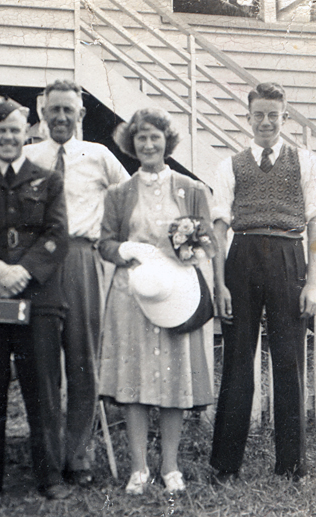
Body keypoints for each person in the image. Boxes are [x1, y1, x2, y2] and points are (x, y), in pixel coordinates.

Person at [98, 107, 221, 495]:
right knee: (133, 381)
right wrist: (125, 249)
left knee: (172, 380)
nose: (148, 144)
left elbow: (211, 243)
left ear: (167, 141)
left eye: (155, 137)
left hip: (176, 296)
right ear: (131, 144)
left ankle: (170, 466)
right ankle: (138, 467)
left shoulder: (192, 188)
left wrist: (190, 250)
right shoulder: (119, 194)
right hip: (131, 296)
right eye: (140, 138)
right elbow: (104, 243)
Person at [0, 93, 70, 501]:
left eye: (15, 131)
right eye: (0, 131)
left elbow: (57, 236)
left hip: (38, 299)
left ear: (27, 133)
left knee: (42, 388)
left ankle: (50, 477)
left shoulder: (49, 181)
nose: (8, 138)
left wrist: (23, 271)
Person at [210, 82, 316, 483]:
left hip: (289, 257)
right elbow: (219, 226)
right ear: (248, 117)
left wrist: (314, 282)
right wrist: (219, 283)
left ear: (284, 117)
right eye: (258, 114)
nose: (265, 122)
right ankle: (225, 466)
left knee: (289, 361)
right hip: (241, 258)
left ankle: (291, 466)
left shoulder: (306, 162)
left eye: (273, 115)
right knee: (238, 361)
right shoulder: (231, 165)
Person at [24, 80, 129, 487]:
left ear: (81, 115)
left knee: (84, 361)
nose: (61, 117)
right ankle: (49, 457)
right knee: (43, 362)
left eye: (69, 110)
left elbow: (129, 198)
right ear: (43, 113)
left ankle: (78, 454)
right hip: (40, 264)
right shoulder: (28, 157)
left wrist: (116, 243)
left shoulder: (99, 156)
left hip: (84, 259)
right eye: (55, 110)